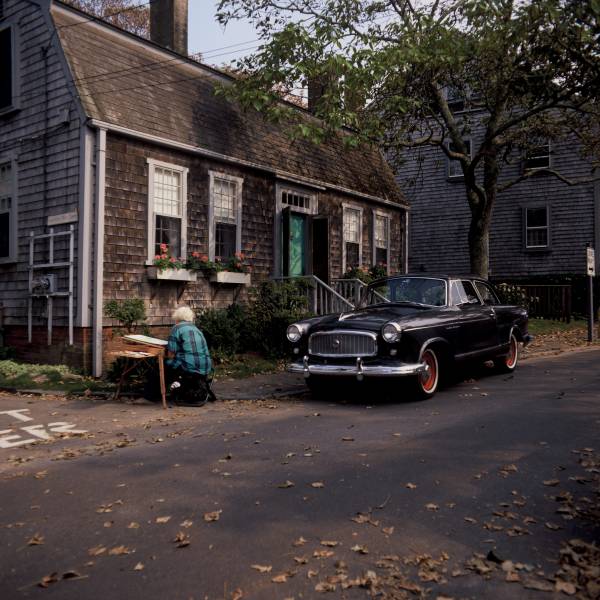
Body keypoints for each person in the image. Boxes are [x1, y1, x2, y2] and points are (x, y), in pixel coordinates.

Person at [155, 306, 215, 406]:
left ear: (177, 318)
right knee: (174, 362)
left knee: (161, 366)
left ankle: (151, 395)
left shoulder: (177, 328)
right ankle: (176, 388)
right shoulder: (196, 329)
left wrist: (166, 357)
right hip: (206, 367)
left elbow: (171, 353)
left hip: (189, 367)